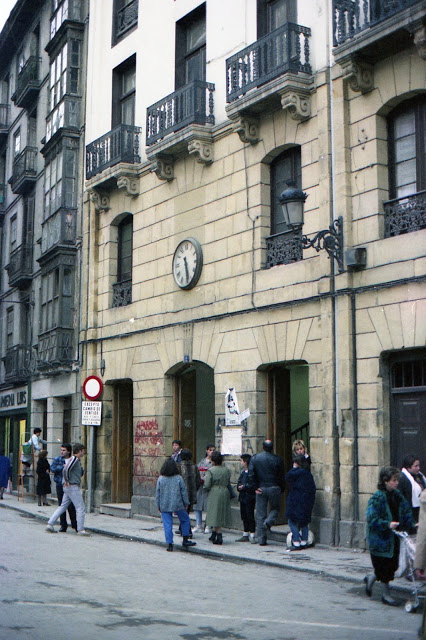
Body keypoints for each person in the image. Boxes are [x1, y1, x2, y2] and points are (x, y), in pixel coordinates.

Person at [364, 466, 416, 606]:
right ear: (385, 481)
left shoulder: (397, 496)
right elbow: (371, 518)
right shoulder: (377, 497)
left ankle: (371, 579)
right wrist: (387, 524)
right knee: (384, 567)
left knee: (391, 566)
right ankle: (386, 594)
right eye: (394, 480)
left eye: (397, 480)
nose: (396, 483)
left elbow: (406, 511)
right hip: (380, 539)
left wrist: (411, 524)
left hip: (393, 538)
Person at [46, 443, 90, 536]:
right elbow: (66, 469)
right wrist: (66, 480)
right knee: (80, 507)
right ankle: (81, 529)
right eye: (83, 450)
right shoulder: (74, 459)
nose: (84, 452)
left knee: (62, 506)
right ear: (80, 451)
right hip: (72, 486)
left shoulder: (73, 459)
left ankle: (50, 523)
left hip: (68, 487)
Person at [247, 440, 285, 546]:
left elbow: (251, 475)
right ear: (272, 447)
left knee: (260, 514)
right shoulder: (278, 459)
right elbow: (281, 475)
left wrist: (254, 487)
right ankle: (269, 521)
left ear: (263, 447)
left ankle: (261, 539)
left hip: (261, 488)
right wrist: (281, 488)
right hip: (274, 487)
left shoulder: (255, 458)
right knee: (276, 508)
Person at [156, 458, 196, 551]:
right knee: (185, 519)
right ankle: (185, 539)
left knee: (167, 524)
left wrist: (158, 505)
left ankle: (170, 544)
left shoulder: (161, 479)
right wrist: (186, 503)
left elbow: (157, 493)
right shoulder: (178, 478)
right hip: (178, 504)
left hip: (164, 504)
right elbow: (183, 492)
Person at [285, 455, 316, 550]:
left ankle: (296, 542)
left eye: (295, 462)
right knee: (304, 522)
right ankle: (304, 542)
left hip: (295, 500)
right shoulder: (308, 474)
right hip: (307, 501)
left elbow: (287, 476)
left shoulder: (296, 473)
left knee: (292, 521)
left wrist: (294, 468)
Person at [204, 450, 231, 545]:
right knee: (220, 512)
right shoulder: (226, 470)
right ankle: (214, 533)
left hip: (214, 492)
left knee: (214, 513)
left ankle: (219, 535)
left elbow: (207, 484)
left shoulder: (211, 470)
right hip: (224, 491)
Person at [50, 444, 78, 532]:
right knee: (62, 505)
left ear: (69, 451)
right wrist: (63, 467)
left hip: (71, 485)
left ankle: (75, 524)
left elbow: (80, 470)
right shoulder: (58, 459)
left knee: (71, 505)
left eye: (64, 450)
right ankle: (63, 525)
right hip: (60, 484)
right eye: (61, 450)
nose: (62, 452)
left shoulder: (73, 460)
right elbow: (53, 468)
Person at [176, 448, 201, 537]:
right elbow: (198, 481)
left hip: (182, 494)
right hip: (192, 493)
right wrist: (194, 489)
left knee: (183, 512)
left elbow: (177, 481)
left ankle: (187, 530)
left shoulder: (179, 466)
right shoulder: (194, 467)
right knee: (186, 512)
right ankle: (182, 528)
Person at [194, 443, 215, 533]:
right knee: (197, 506)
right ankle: (198, 524)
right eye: (210, 450)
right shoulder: (202, 461)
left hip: (209, 487)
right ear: (206, 451)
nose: (211, 452)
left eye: (213, 450)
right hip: (200, 486)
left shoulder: (214, 462)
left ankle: (208, 525)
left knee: (208, 506)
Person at [398, 454, 426, 522]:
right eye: (415, 466)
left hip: (421, 508)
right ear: (408, 467)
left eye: (419, 465)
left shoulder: (420, 476)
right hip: (410, 510)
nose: (418, 468)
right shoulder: (402, 478)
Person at [235, 453, 256, 543]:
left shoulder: (251, 473)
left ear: (245, 462)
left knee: (249, 515)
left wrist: (244, 487)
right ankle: (245, 532)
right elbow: (239, 482)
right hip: (243, 497)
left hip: (249, 497)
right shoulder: (243, 473)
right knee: (244, 515)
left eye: (242, 461)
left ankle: (252, 533)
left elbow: (252, 485)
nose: (241, 462)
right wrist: (239, 486)